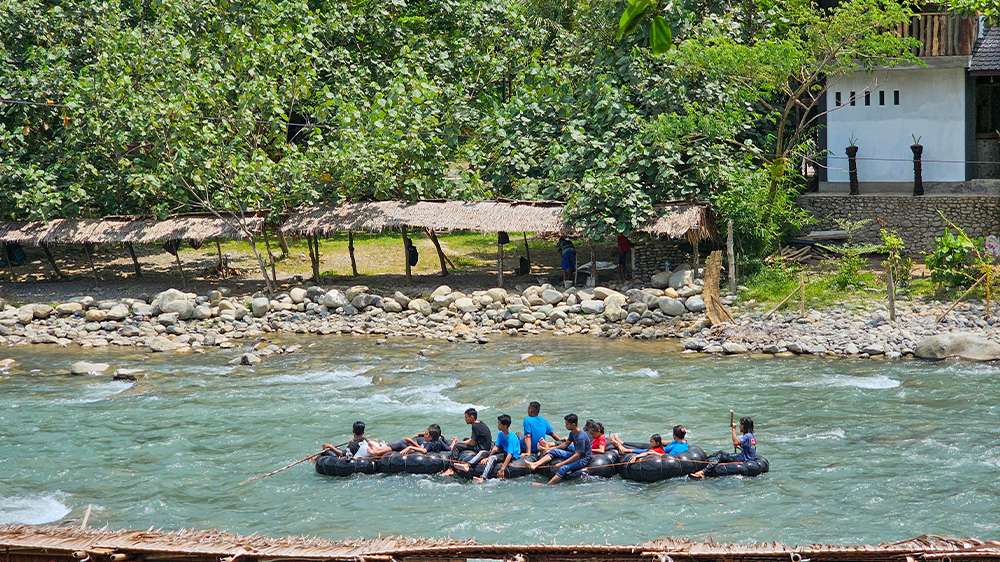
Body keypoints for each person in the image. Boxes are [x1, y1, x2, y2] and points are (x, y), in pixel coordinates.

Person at [527, 413, 592, 485]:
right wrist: (551, 449)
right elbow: (565, 445)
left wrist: (561, 464)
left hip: (584, 459)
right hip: (576, 454)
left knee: (563, 468)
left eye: (567, 424)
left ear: (573, 425)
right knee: (554, 451)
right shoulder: (572, 433)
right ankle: (535, 464)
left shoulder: (581, 437)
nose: (565, 426)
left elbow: (577, 456)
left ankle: (547, 485)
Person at [690, 416, 757, 479]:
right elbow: (748, 448)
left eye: (741, 425)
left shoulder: (747, 436)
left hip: (744, 459)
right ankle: (705, 462)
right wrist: (739, 446)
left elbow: (735, 442)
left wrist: (733, 429)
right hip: (749, 457)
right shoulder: (751, 436)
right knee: (721, 453)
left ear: (744, 426)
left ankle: (703, 472)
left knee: (720, 455)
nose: (739, 426)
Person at [530, 419, 603, 471]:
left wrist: (562, 463)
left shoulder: (600, 438)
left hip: (582, 452)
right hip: (579, 449)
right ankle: (548, 446)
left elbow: (601, 450)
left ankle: (548, 446)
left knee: (564, 444)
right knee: (565, 442)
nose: (588, 431)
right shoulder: (592, 436)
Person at [466, 414, 522, 482]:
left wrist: (502, 469)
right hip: (504, 452)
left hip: (513, 456)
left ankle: (483, 478)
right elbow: (496, 447)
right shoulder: (500, 434)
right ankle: (468, 464)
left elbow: (509, 455)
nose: (497, 425)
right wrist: (487, 457)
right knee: (482, 452)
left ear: (505, 426)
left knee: (493, 458)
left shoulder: (511, 437)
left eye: (499, 424)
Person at [441, 408, 492, 476]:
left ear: (472, 417)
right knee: (465, 439)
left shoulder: (475, 426)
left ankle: (451, 469)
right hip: (486, 446)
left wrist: (459, 443)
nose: (465, 419)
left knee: (457, 446)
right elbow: (474, 439)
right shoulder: (480, 423)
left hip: (481, 449)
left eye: (466, 417)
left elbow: (472, 443)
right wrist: (464, 441)